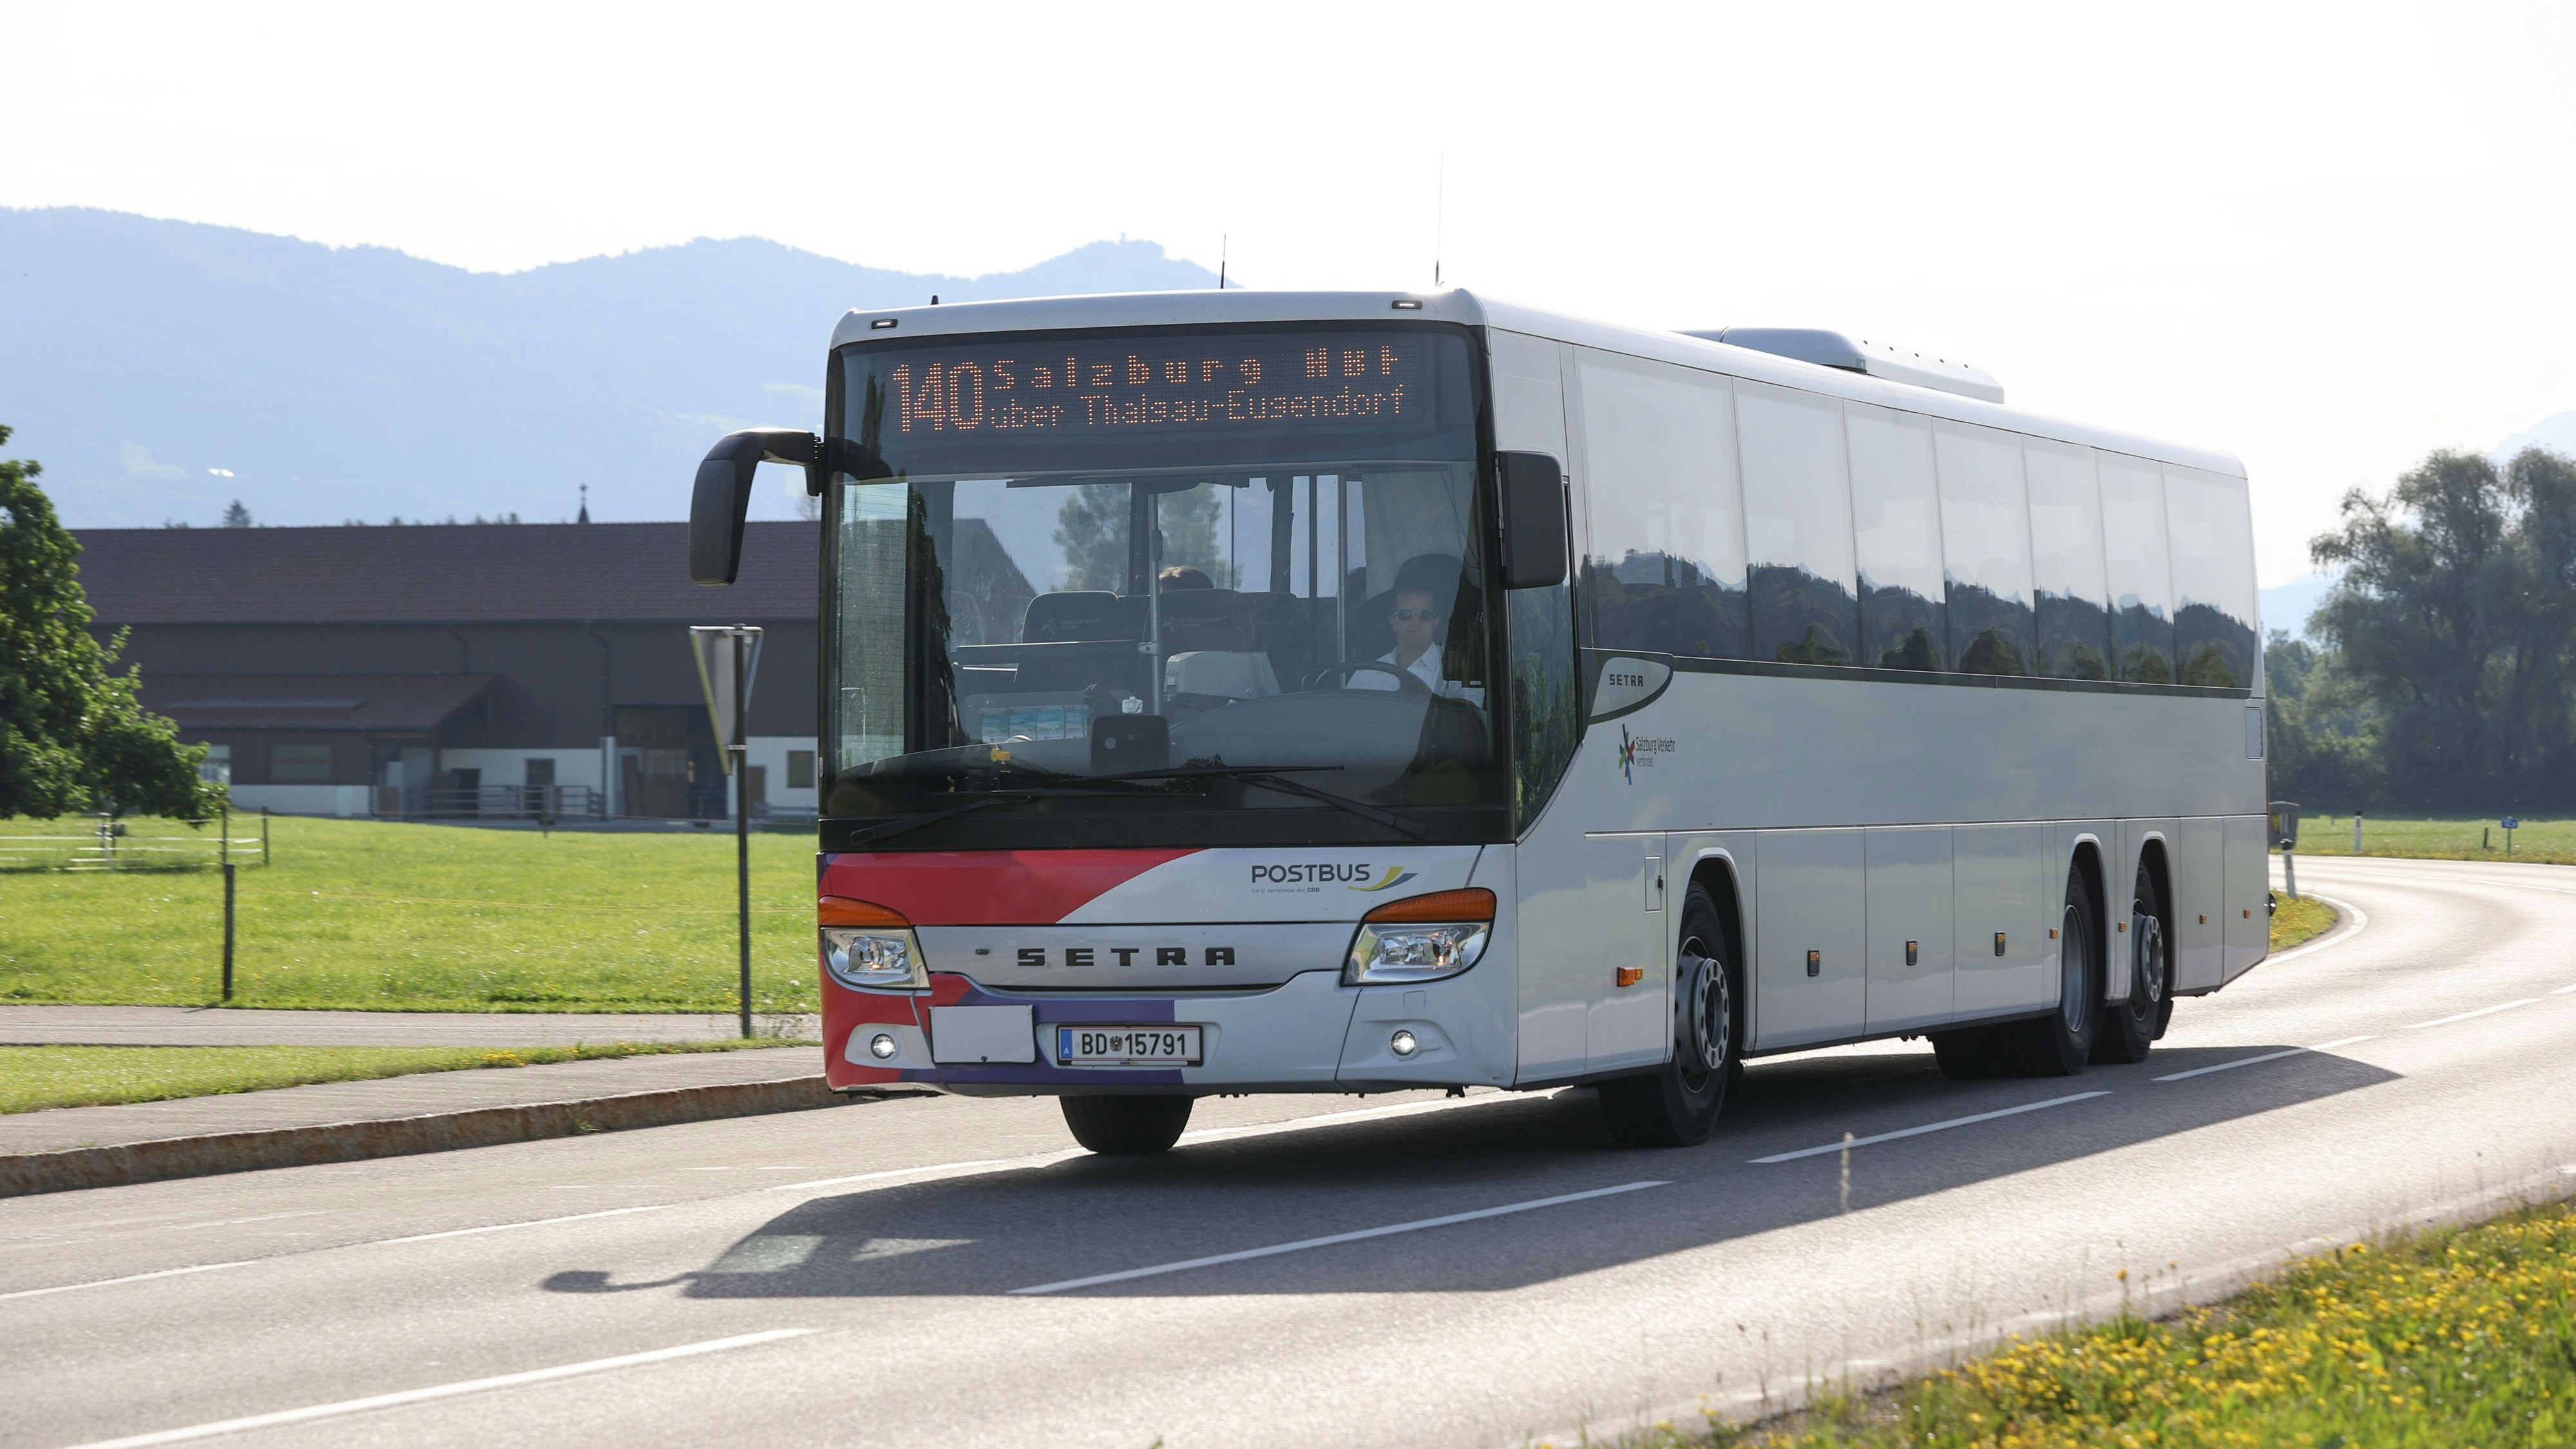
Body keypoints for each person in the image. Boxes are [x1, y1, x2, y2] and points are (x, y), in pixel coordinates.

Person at [1347, 556, 1479, 702]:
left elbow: (1471, 716)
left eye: (1426, 615)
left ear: (1436, 622)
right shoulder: (1367, 673)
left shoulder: (1460, 672)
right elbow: (1347, 719)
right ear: (1393, 622)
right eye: (1405, 615)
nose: (1416, 622)